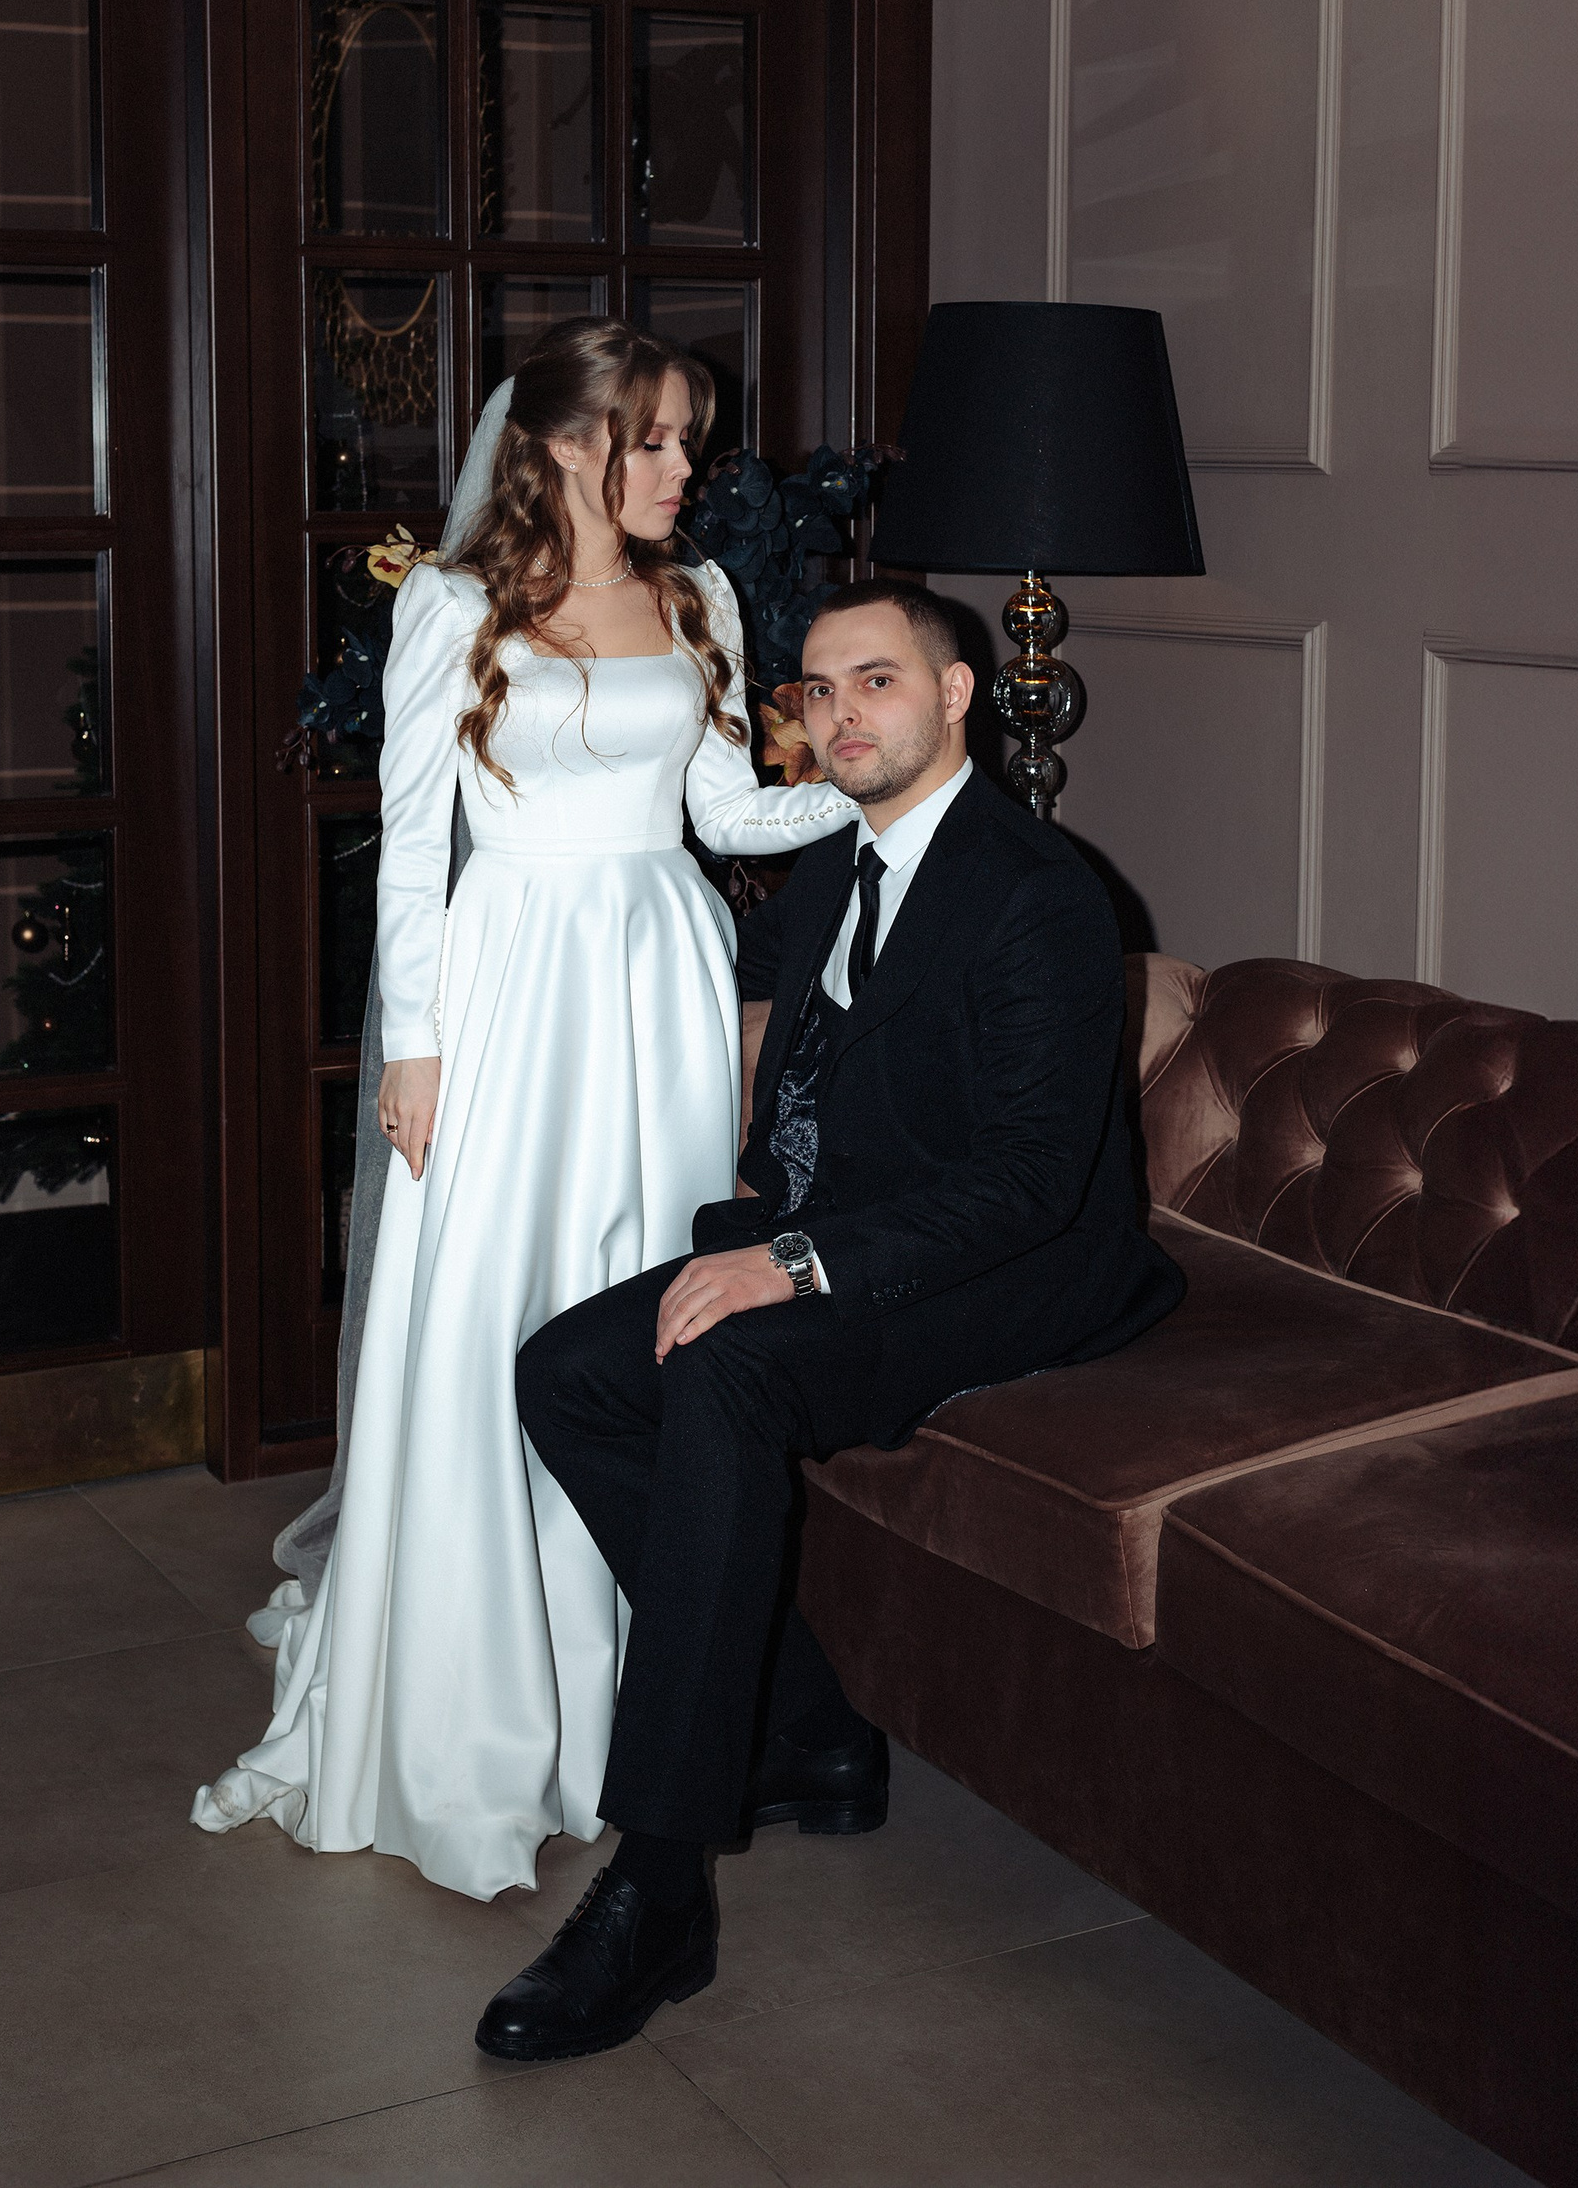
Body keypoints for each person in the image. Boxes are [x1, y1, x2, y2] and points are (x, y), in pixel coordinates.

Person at [475, 577, 1186, 2059]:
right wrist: (758, 1213)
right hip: (860, 1239)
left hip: (1022, 1268)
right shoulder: (829, 877)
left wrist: (792, 1265)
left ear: (956, 696)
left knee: (725, 1374)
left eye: (877, 680)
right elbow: (798, 1082)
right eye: (817, 688)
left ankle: (659, 1885)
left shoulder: (1039, 892)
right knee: (568, 1374)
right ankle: (809, 1733)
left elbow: (1030, 1185)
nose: (840, 714)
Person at [191, 319, 853, 1898]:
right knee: (490, 1310)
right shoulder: (451, 604)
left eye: (690, 440)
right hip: (503, 992)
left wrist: (877, 782)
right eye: (655, 439)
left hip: (659, 989)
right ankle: (468, 1706)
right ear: (562, 443)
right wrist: (412, 1049)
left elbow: (723, 813)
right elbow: (413, 842)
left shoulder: (701, 597)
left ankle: (631, 1691)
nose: (687, 469)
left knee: (640, 1311)